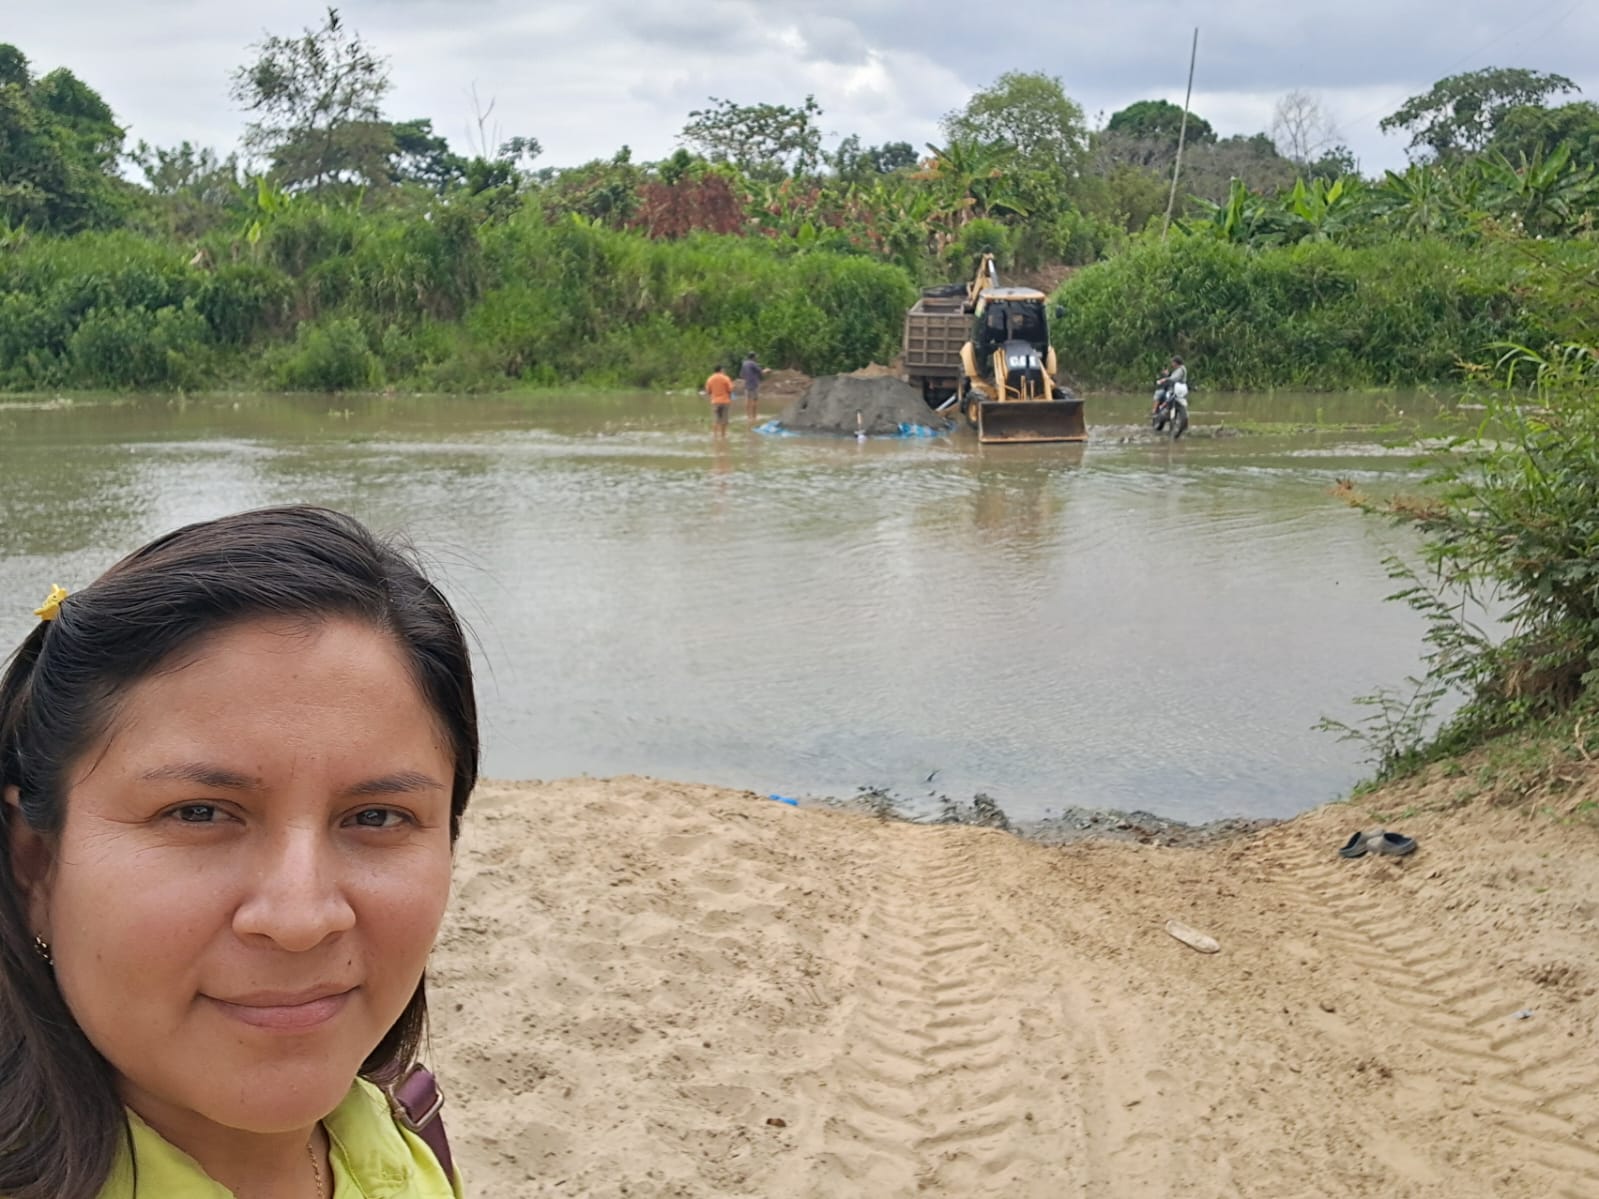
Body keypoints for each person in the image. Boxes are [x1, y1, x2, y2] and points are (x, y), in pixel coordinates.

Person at [0, 506, 477, 1199]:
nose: (299, 919)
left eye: (376, 816)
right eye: (199, 813)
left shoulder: (402, 1128)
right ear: (35, 862)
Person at [704, 364, 734, 438]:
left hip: (715, 402)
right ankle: (723, 435)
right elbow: (730, 389)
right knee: (724, 420)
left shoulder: (710, 379)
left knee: (715, 420)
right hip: (725, 401)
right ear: (721, 370)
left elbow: (708, 391)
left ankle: (715, 435)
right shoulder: (726, 378)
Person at [739, 353, 766, 423]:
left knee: (747, 400)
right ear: (753, 357)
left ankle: (748, 417)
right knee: (755, 400)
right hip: (754, 385)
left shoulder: (744, 364)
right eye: (756, 357)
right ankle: (754, 417)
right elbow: (761, 372)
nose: (756, 358)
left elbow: (741, 375)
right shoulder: (753, 363)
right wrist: (767, 370)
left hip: (747, 385)